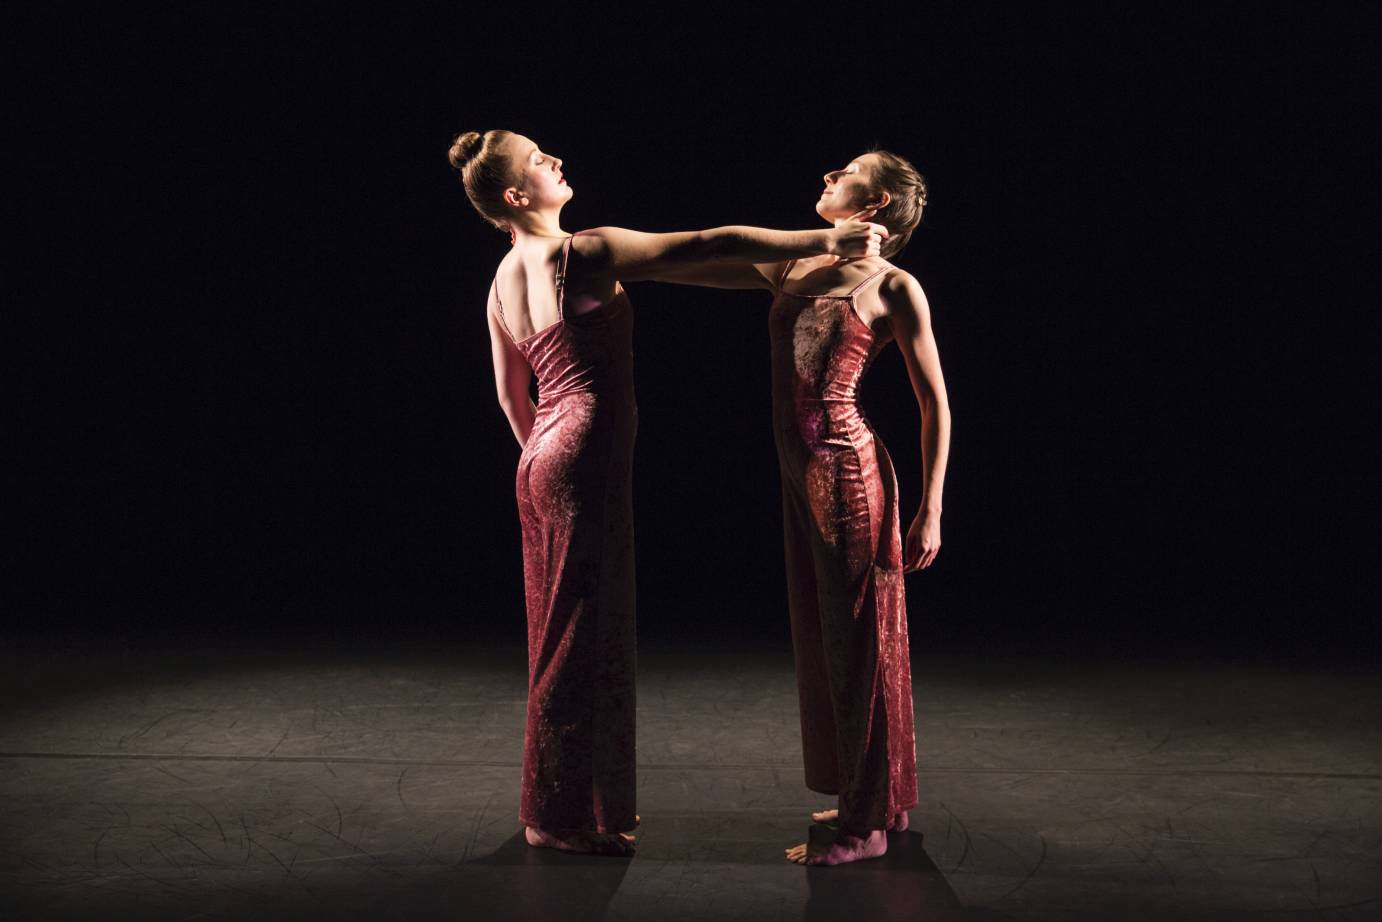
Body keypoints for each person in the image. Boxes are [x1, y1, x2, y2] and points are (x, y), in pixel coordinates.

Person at [447, 130, 888, 857]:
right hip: (581, 453)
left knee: (561, 629)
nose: (555, 157)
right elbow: (710, 240)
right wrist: (828, 235)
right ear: (516, 197)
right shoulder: (581, 250)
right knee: (580, 634)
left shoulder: (503, 273)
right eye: (538, 159)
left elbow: (510, 393)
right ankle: (555, 818)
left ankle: (577, 800)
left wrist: (545, 462)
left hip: (542, 457)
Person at [659, 149, 950, 865]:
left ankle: (866, 825)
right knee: (830, 637)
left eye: (845, 172)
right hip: (801, 470)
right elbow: (699, 258)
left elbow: (935, 402)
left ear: (875, 204)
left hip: (846, 471)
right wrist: (612, 260)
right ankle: (878, 793)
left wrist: (930, 509)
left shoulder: (894, 285)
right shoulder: (796, 263)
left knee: (856, 639)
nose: (827, 175)